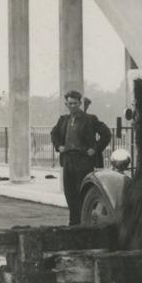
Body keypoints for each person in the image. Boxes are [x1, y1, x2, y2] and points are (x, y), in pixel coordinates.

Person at [51, 91, 112, 225]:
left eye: (75, 103)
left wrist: (95, 149)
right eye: (70, 103)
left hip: (83, 160)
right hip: (68, 160)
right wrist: (59, 146)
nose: (73, 106)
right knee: (69, 193)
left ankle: (84, 224)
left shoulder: (90, 119)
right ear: (66, 104)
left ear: (80, 103)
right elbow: (53, 133)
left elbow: (107, 134)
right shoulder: (63, 120)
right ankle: (73, 224)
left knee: (82, 193)